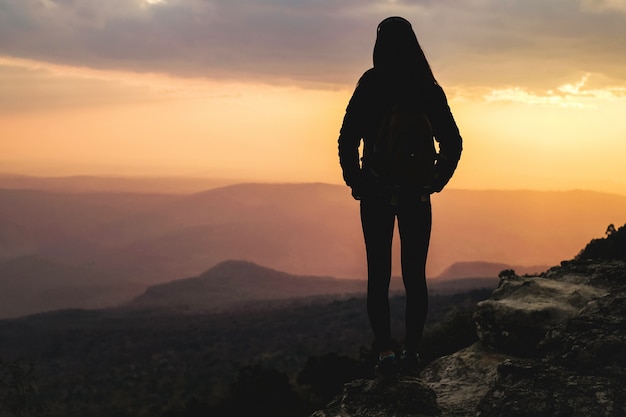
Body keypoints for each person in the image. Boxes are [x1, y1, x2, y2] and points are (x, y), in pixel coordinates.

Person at [338, 16, 462, 377]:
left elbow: (347, 138)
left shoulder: (371, 84)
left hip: (376, 195)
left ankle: (385, 352)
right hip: (416, 197)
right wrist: (435, 181)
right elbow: (453, 142)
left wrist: (357, 182)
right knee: (414, 276)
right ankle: (413, 351)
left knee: (378, 275)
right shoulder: (426, 87)